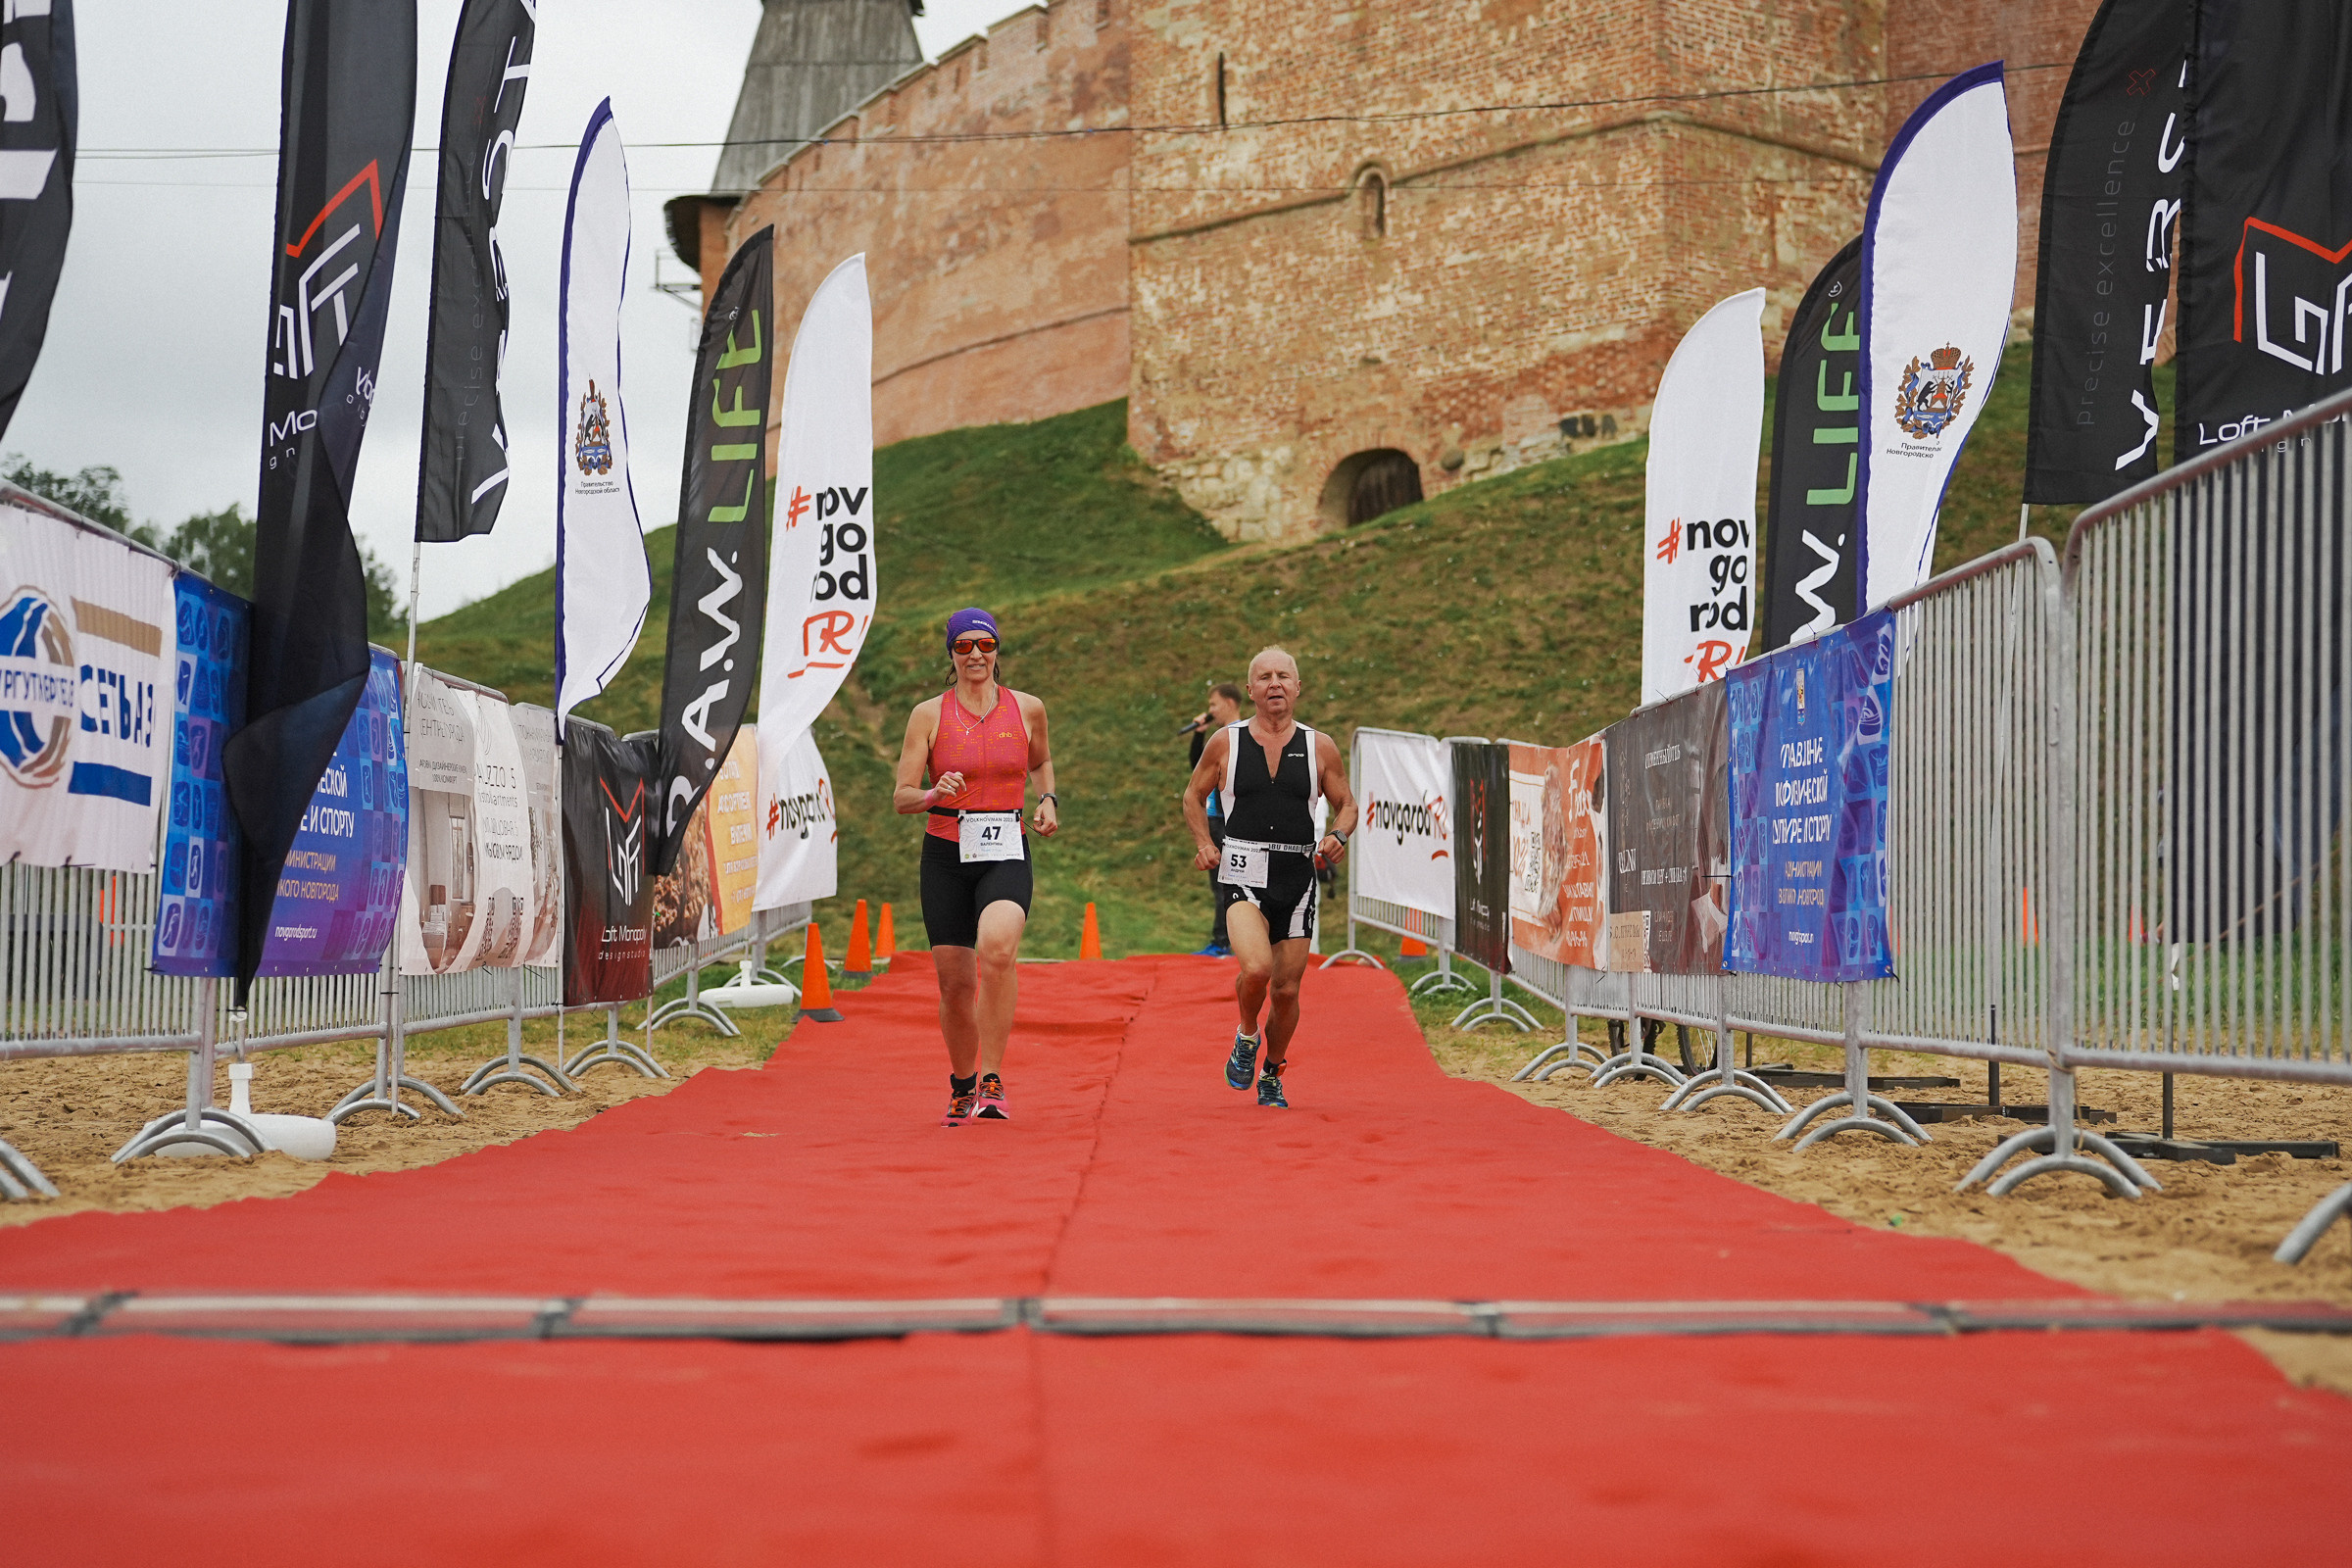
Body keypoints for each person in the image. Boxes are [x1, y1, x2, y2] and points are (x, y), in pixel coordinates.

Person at [894, 608, 1057, 1126]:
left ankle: (991, 1077)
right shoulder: (928, 714)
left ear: (997, 651)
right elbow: (901, 797)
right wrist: (931, 791)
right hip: (945, 853)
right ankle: (962, 1084)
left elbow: (1040, 762)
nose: (975, 656)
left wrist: (1048, 799)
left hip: (1006, 846)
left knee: (998, 947)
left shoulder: (1028, 709)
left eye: (983, 646)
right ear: (951, 655)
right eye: (963, 647)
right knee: (955, 985)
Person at [1181, 647, 1356, 1107]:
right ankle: (1245, 1033)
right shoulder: (1227, 741)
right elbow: (1192, 796)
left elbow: (1348, 802)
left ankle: (1273, 1072)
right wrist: (1204, 843)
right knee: (1256, 969)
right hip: (1243, 868)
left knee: (1286, 988)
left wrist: (1339, 833)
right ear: (1252, 689)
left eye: (1284, 676)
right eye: (1265, 677)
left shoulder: (1320, 746)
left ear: (1298, 687)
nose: (1274, 683)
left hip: (1296, 874)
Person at [1182, 681, 1246, 956]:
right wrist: (1199, 735)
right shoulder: (1220, 735)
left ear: (1230, 703)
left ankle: (1225, 941)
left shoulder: (1241, 735)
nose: (1210, 710)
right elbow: (1199, 767)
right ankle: (1222, 939)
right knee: (1217, 883)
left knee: (1225, 884)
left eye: (1213, 704)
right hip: (1214, 819)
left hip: (1228, 820)